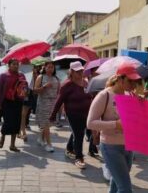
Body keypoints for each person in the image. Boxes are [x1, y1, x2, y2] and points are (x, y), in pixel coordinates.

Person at [87, 62, 140, 192]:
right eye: (130, 81)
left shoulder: (131, 95)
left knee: (116, 183)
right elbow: (90, 123)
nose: (134, 85)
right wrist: (115, 124)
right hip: (111, 147)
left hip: (128, 146)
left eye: (135, 82)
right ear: (120, 79)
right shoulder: (104, 96)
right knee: (125, 188)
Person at [50, 61, 91, 168]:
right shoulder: (67, 84)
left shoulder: (86, 82)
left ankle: (69, 149)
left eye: (81, 71)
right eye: (77, 71)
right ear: (71, 72)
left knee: (77, 132)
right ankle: (79, 157)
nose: (80, 73)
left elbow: (90, 96)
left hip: (85, 113)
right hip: (72, 113)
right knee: (79, 135)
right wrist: (53, 115)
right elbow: (59, 101)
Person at [0, 59, 28, 152]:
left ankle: (12, 145)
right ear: (9, 65)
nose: (16, 66)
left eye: (17, 64)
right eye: (14, 64)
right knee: (7, 121)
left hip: (18, 102)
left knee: (16, 123)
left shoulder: (21, 75)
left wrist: (25, 91)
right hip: (7, 102)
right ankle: (2, 136)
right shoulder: (3, 76)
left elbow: (25, 87)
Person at [34, 61, 60, 152]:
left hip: (53, 103)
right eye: (48, 67)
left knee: (48, 124)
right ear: (44, 68)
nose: (50, 69)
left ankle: (41, 138)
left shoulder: (56, 78)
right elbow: (35, 90)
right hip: (43, 102)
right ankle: (49, 144)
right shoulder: (40, 77)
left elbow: (58, 92)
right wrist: (44, 86)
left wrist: (60, 105)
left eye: (52, 67)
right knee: (46, 124)